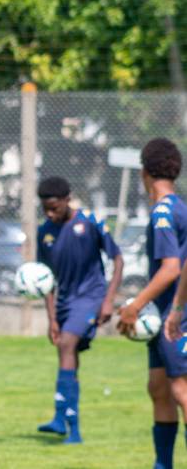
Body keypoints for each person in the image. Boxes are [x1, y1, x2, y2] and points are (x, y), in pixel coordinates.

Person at [34, 176, 123, 444]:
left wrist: (108, 301)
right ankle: (73, 429)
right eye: (45, 209)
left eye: (55, 208)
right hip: (64, 302)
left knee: (68, 345)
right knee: (68, 355)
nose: (50, 214)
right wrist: (51, 319)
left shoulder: (90, 222)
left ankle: (61, 417)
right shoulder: (44, 232)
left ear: (67, 199)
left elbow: (117, 260)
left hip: (91, 297)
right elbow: (45, 278)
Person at [117, 138, 187, 469]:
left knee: (181, 390)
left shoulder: (163, 212)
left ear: (144, 172)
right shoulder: (179, 207)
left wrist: (134, 306)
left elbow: (171, 268)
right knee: (158, 387)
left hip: (177, 315)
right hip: (162, 314)